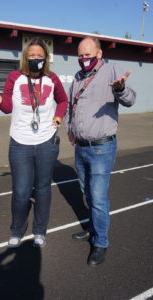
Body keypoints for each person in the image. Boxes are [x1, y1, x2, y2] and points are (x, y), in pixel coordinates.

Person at [0, 37, 68, 248]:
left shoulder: (52, 78)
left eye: (40, 56)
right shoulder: (15, 77)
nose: (36, 59)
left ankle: (40, 231)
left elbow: (63, 100)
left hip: (46, 142)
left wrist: (58, 117)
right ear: (25, 58)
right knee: (21, 192)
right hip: (20, 144)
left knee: (42, 189)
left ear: (46, 58)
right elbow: (6, 106)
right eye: (32, 56)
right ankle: (17, 229)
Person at [65, 36, 136, 266]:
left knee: (98, 198)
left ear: (99, 54)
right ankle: (92, 228)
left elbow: (130, 99)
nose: (84, 59)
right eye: (80, 56)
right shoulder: (77, 77)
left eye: (88, 55)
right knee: (87, 193)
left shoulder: (112, 70)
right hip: (81, 147)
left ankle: (101, 242)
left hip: (102, 148)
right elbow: (70, 106)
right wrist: (70, 128)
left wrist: (121, 89)